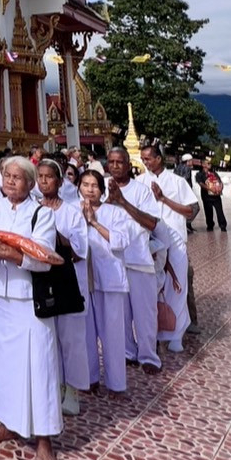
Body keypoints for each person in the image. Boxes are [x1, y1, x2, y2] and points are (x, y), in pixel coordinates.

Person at [0, 155, 61, 460]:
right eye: (7, 175)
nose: (10, 181)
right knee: (3, 365)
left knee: (39, 367)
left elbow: (44, 258)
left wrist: (5, 251)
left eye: (17, 177)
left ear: (31, 184)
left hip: (29, 301)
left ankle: (44, 439)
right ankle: (8, 421)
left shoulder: (41, 215)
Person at [35, 159, 89, 415]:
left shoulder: (70, 212)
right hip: (42, 279)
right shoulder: (32, 209)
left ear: (59, 181)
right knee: (48, 337)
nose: (44, 181)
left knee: (71, 339)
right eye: (40, 176)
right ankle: (55, 385)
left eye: (49, 177)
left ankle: (74, 390)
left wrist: (54, 233)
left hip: (67, 279)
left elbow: (80, 249)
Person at [104, 147, 161, 372]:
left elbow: (152, 223)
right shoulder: (101, 188)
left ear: (129, 165)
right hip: (113, 260)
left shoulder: (141, 191)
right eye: (111, 162)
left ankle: (148, 356)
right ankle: (128, 351)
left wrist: (123, 202)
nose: (115, 166)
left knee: (145, 312)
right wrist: (109, 200)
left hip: (138, 257)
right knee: (121, 313)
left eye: (120, 162)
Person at [77, 169, 131, 397]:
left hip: (109, 280)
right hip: (83, 281)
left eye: (94, 185)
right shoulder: (72, 211)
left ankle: (116, 383)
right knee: (86, 333)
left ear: (101, 189)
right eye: (85, 184)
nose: (90, 189)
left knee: (112, 334)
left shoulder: (114, 213)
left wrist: (94, 223)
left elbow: (121, 241)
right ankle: (90, 379)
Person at [138, 142, 198, 345]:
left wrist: (163, 199)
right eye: (142, 159)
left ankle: (176, 333)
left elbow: (191, 211)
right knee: (152, 286)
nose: (145, 162)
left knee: (177, 285)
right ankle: (153, 331)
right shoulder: (139, 182)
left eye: (148, 158)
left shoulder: (177, 181)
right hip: (150, 239)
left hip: (175, 239)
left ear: (158, 159)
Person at [199, 157, 227, 232]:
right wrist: (210, 188)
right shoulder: (200, 174)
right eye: (208, 163)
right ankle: (210, 225)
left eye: (210, 163)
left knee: (219, 211)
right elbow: (201, 183)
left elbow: (220, 181)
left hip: (216, 195)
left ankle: (223, 225)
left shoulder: (214, 173)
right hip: (206, 196)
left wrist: (220, 188)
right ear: (203, 165)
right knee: (208, 211)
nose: (210, 165)